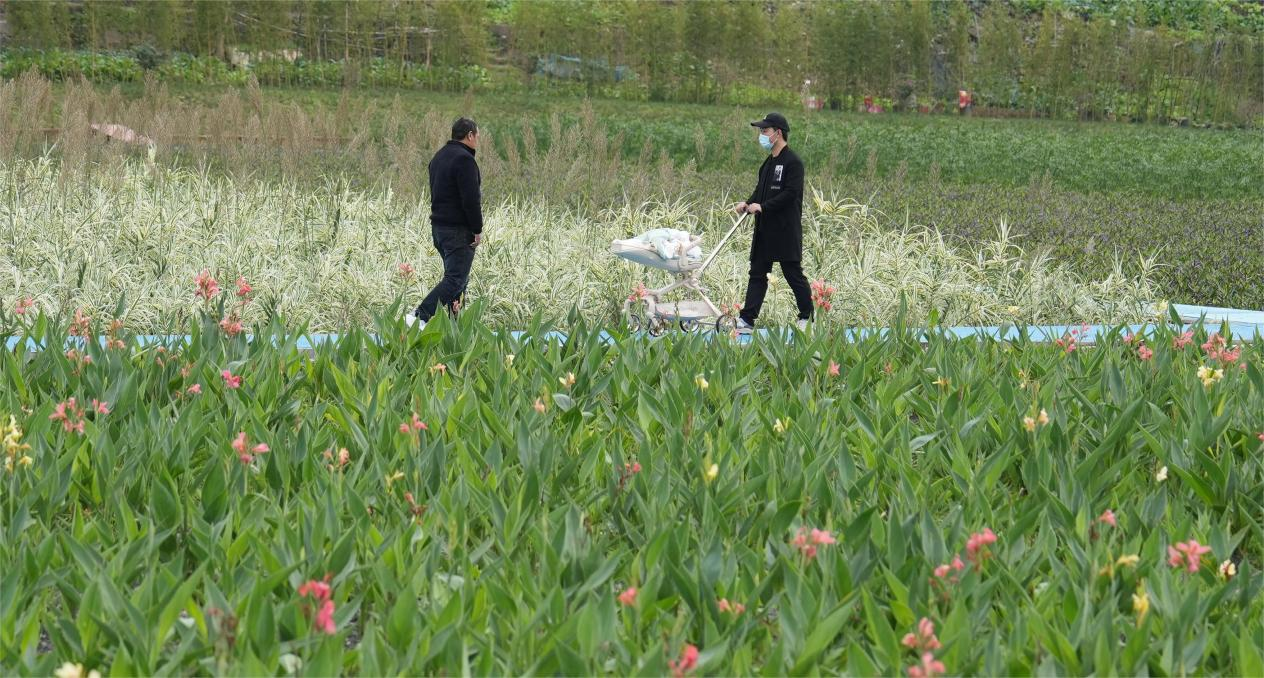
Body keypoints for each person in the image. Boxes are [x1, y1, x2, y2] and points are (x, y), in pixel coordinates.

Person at [734, 112, 813, 333]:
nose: (761, 135)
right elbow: (761, 191)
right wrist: (748, 203)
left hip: (785, 230)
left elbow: (790, 194)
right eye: (760, 131)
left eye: (764, 131)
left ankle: (808, 317)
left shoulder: (793, 162)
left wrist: (764, 207)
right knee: (757, 273)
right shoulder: (768, 163)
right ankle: (747, 320)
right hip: (765, 229)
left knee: (792, 273)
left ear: (778, 133)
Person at [406, 117, 483, 328]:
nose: (478, 140)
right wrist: (477, 229)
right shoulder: (465, 160)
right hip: (458, 231)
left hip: (439, 230)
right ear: (469, 135)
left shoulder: (439, 157)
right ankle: (418, 317)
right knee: (455, 279)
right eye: (477, 136)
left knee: (459, 282)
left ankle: (453, 328)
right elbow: (471, 199)